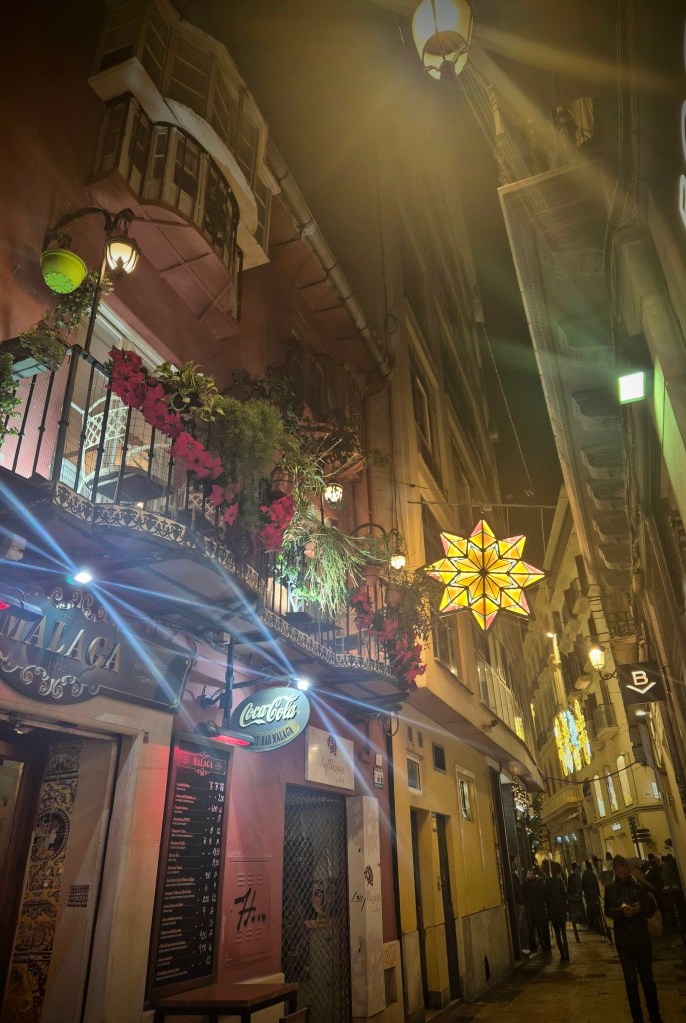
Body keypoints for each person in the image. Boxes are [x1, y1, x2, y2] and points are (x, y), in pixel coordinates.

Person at [604, 854, 662, 1023]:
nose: (622, 872)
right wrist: (620, 912)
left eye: (624, 869)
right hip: (624, 942)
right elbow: (608, 911)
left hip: (641, 939)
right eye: (619, 869)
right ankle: (637, 1018)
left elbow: (650, 909)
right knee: (631, 982)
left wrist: (639, 910)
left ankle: (655, 1015)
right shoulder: (610, 890)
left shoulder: (638, 887)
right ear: (615, 870)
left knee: (647, 980)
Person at [545, 862, 570, 961]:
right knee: (563, 934)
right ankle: (567, 954)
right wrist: (565, 907)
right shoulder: (559, 882)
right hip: (561, 912)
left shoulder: (548, 883)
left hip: (553, 913)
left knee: (557, 935)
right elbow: (565, 896)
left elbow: (546, 898)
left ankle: (562, 954)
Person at [581, 858, 602, 933]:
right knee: (597, 911)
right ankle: (599, 926)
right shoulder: (592, 874)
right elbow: (596, 884)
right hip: (595, 895)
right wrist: (598, 894)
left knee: (591, 910)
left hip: (589, 896)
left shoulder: (584, 875)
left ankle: (593, 926)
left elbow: (582, 886)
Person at [567, 862, 586, 927]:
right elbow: (569, 887)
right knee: (577, 909)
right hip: (575, 896)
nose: (578, 869)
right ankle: (579, 920)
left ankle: (582, 920)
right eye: (577, 868)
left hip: (580, 895)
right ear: (574, 869)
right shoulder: (571, 877)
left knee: (581, 908)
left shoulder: (579, 876)